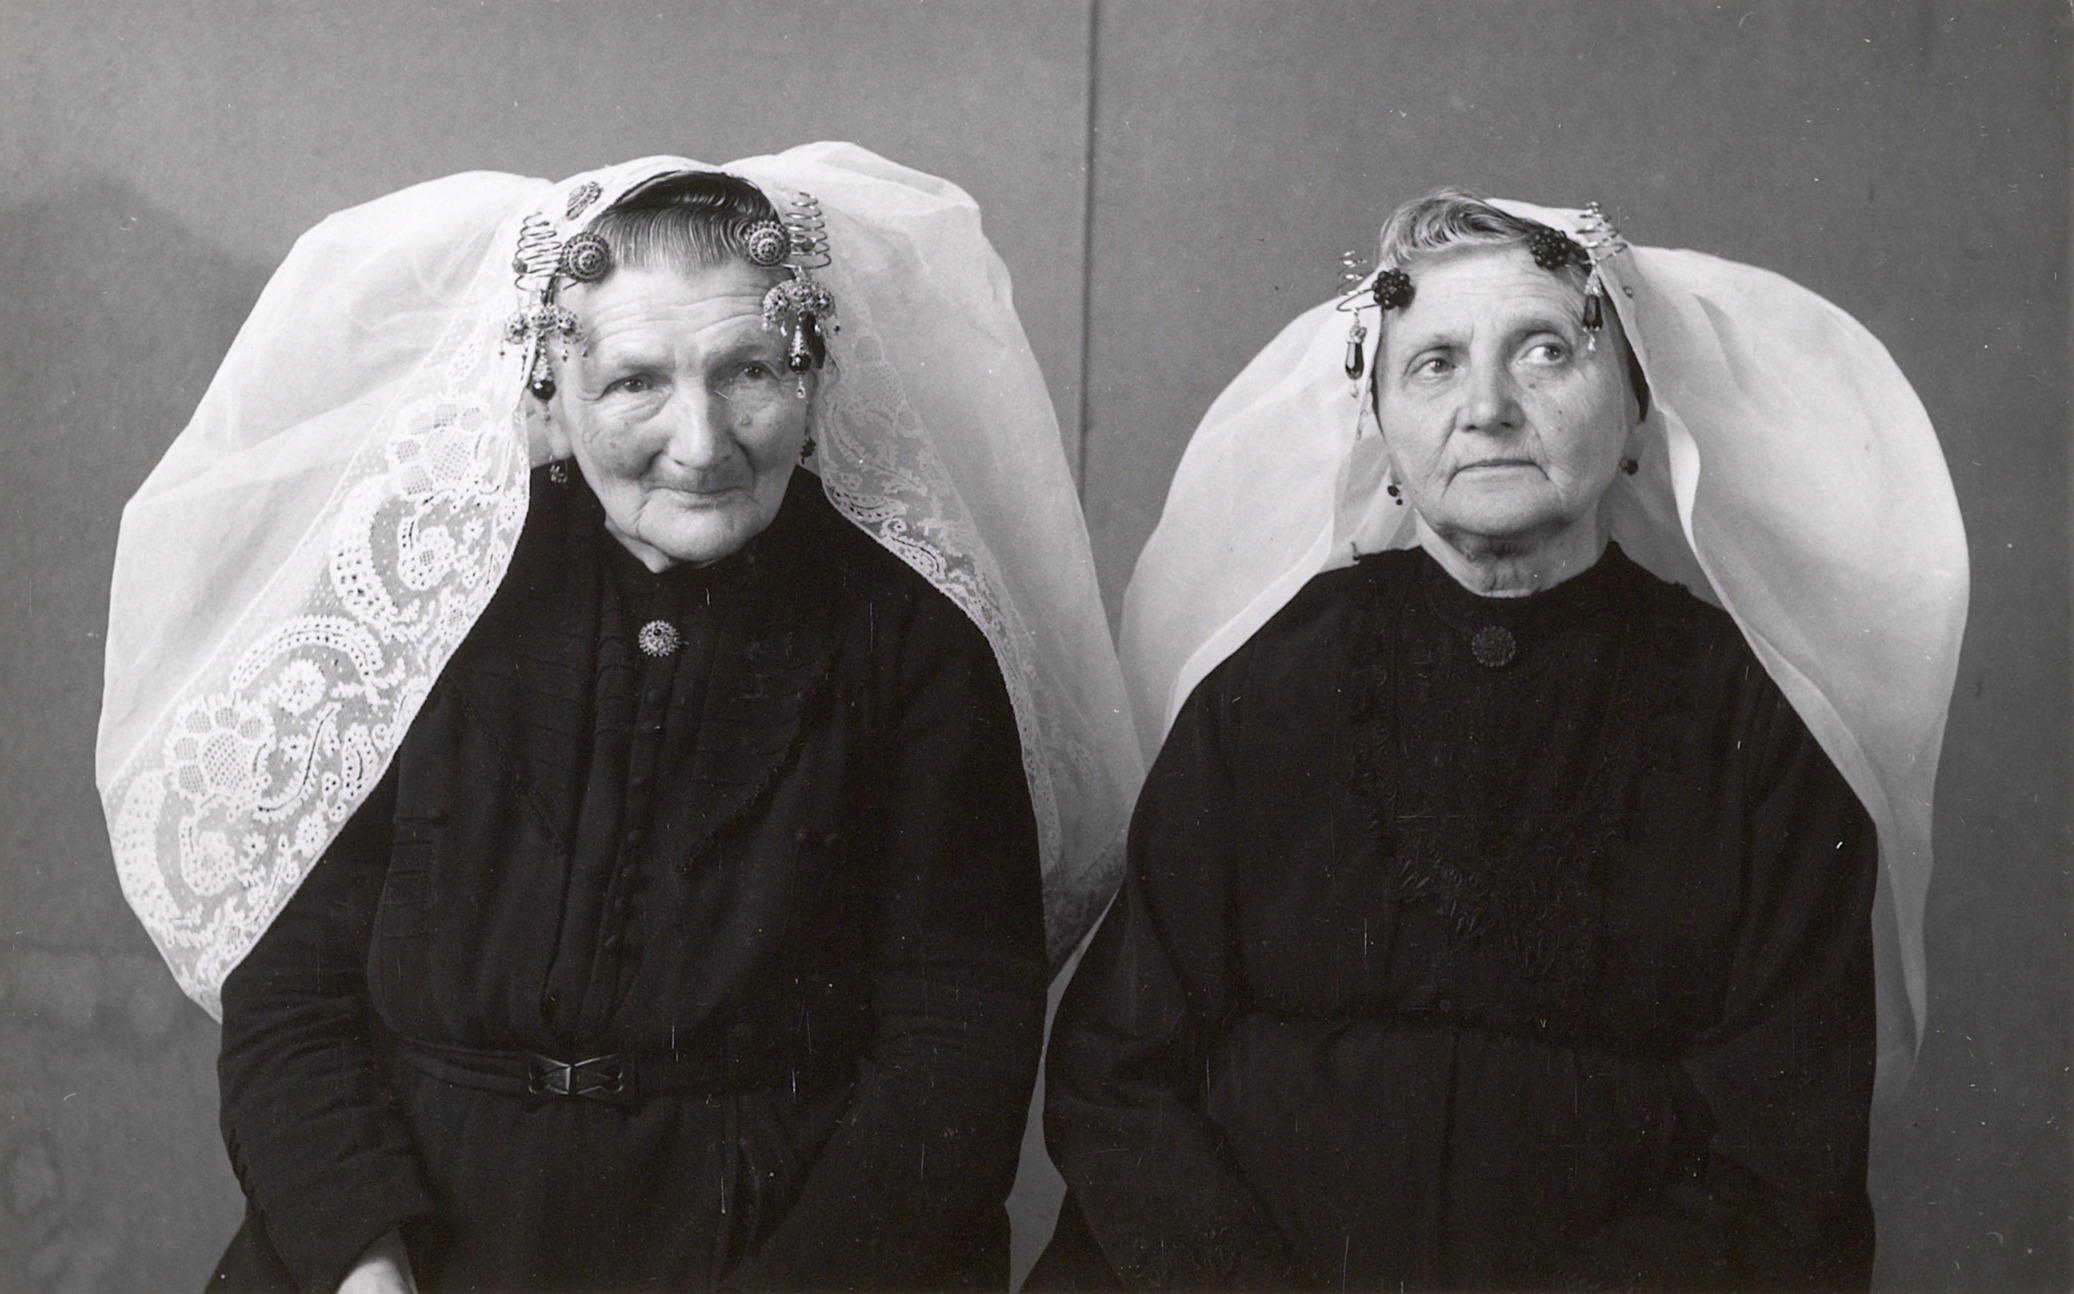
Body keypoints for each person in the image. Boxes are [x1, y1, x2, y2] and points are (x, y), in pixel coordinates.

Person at [94, 144, 1142, 1291]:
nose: (701, 443)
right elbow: (291, 990)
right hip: (407, 1243)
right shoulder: (422, 599)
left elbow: (956, 1052)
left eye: (748, 371)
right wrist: (362, 1260)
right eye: (637, 382)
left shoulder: (914, 644)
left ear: (812, 371)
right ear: (551, 384)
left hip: (781, 1250)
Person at [1036, 191, 1967, 1289]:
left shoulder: (1759, 720)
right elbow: (1117, 1074)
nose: (1487, 408)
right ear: (1380, 423)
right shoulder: (1261, 687)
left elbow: (1783, 1154)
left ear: (1634, 407)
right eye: (1434, 363)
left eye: (1545, 351)